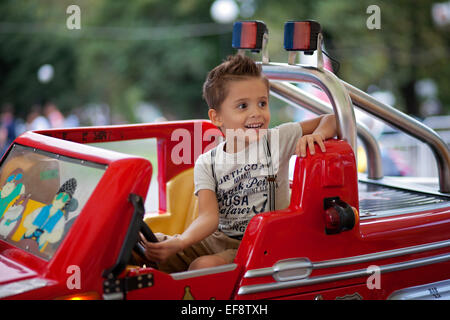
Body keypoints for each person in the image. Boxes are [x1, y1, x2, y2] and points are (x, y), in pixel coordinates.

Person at [138, 54, 337, 273]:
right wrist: (179, 242)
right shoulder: (208, 162)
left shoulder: (276, 140)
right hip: (211, 242)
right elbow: (208, 218)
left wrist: (316, 135)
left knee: (202, 267)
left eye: (262, 103)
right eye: (243, 106)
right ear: (217, 118)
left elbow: (332, 118)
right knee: (140, 245)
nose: (256, 113)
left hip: (254, 248)